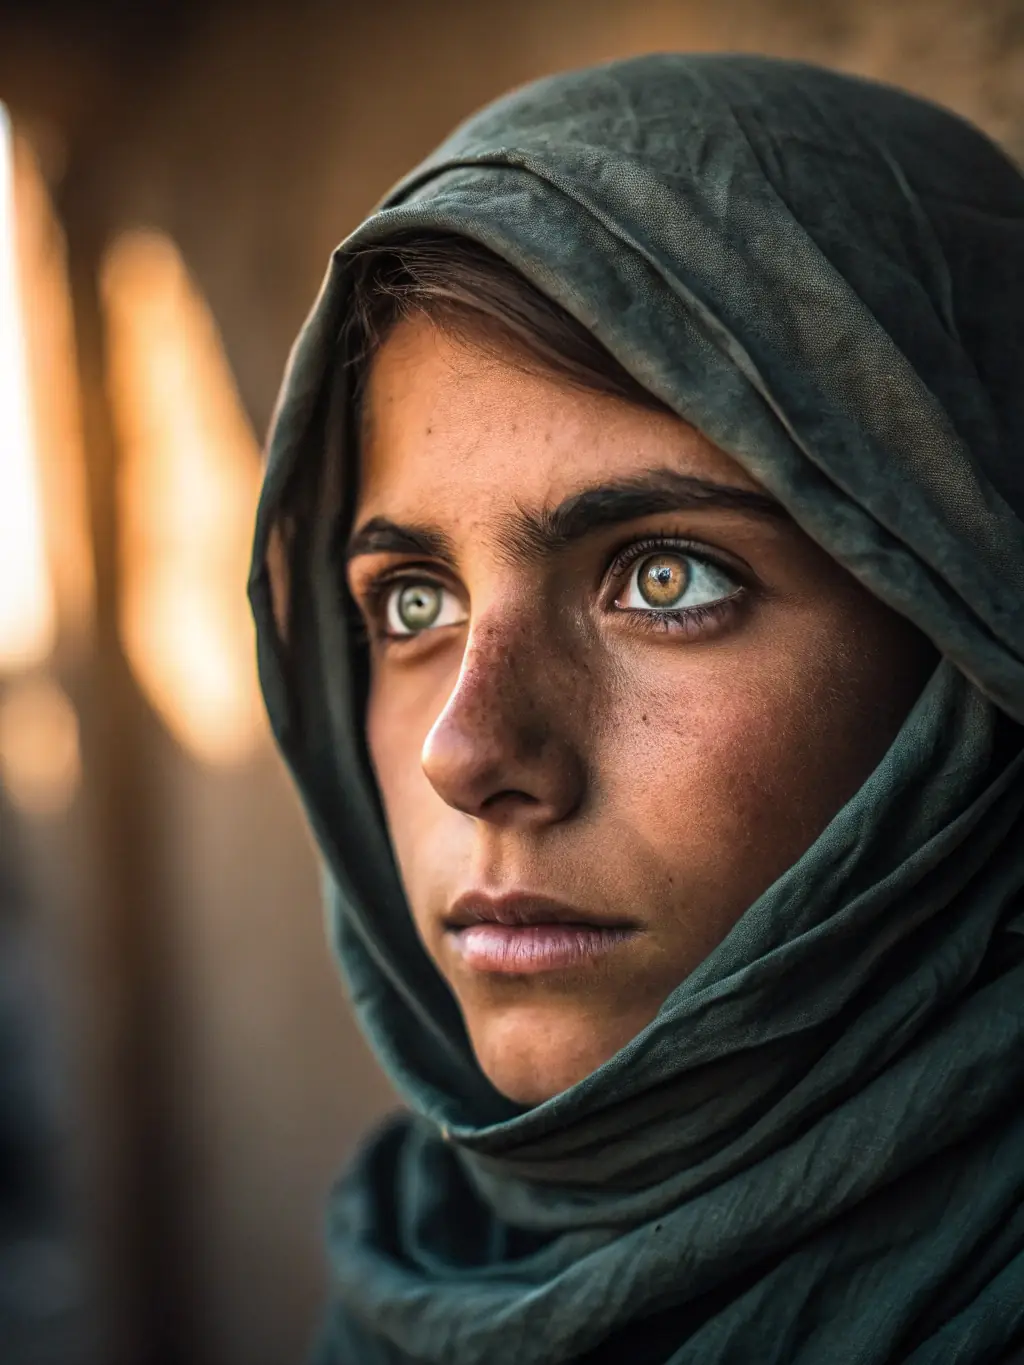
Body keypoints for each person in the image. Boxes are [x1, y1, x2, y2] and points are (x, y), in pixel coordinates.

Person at [248, 53, 1024, 1364]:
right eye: (415, 602)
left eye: (667, 578)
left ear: (966, 640)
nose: (468, 754)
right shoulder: (418, 1264)